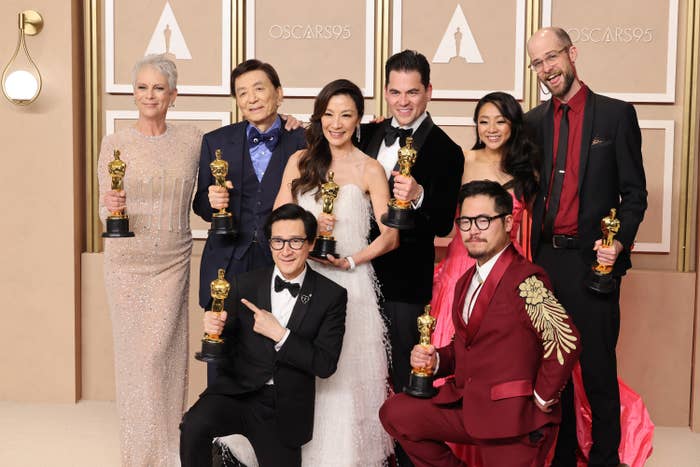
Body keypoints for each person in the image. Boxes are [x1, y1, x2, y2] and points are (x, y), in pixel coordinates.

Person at [379, 180, 581, 467]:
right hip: (469, 406)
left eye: (484, 220)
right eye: (466, 221)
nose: (473, 230)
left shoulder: (526, 280)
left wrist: (541, 398)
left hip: (515, 420)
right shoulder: (465, 282)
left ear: (509, 222)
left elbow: (565, 339)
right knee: (397, 412)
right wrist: (437, 360)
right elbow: (466, 346)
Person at [525, 27, 648, 467]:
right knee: (551, 369)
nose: (546, 69)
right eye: (537, 62)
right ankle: (558, 459)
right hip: (544, 262)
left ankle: (605, 459)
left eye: (552, 57)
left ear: (572, 54)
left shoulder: (615, 116)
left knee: (596, 369)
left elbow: (634, 195)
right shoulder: (532, 122)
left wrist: (618, 246)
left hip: (593, 262)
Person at [275, 79, 397, 466]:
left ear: (359, 119)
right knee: (302, 374)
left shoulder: (370, 169)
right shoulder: (300, 162)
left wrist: (350, 261)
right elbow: (279, 219)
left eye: (346, 114)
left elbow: (390, 236)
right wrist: (302, 245)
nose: (336, 123)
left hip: (350, 284)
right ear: (319, 117)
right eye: (329, 114)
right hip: (305, 280)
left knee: (345, 380)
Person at [179, 204, 347, 467]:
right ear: (269, 244)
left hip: (283, 408)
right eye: (278, 241)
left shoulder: (331, 296)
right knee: (194, 425)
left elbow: (325, 365)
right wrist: (215, 329)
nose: (286, 250)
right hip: (237, 393)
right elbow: (222, 347)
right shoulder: (243, 284)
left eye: (295, 241)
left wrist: (281, 334)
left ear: (311, 243)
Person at [98, 54, 202, 467]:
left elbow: (232, 153)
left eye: (158, 88)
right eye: (142, 87)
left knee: (165, 354)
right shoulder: (115, 142)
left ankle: (168, 449)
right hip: (126, 262)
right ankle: (138, 453)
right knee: (134, 360)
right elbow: (106, 210)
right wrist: (109, 205)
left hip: (173, 261)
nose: (149, 95)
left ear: (173, 95)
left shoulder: (193, 141)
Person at [357, 48, 464, 401]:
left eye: (412, 92)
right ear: (386, 92)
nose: (403, 102)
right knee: (360, 374)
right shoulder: (367, 135)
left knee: (403, 376)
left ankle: (405, 454)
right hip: (358, 276)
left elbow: (445, 223)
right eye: (395, 92)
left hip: (404, 285)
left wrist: (419, 195)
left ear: (429, 91)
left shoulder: (447, 150)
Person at [193, 59, 305, 384]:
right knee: (222, 354)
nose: (252, 98)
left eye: (259, 89)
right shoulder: (215, 141)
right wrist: (210, 201)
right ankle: (222, 431)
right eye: (243, 93)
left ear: (279, 94)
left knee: (277, 352)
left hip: (281, 261)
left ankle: (268, 429)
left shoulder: (303, 139)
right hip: (226, 261)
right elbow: (200, 204)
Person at [431, 91, 539, 370]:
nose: (491, 129)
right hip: (461, 266)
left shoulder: (528, 171)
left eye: (500, 121)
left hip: (506, 269)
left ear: (513, 125)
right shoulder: (462, 160)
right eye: (483, 121)